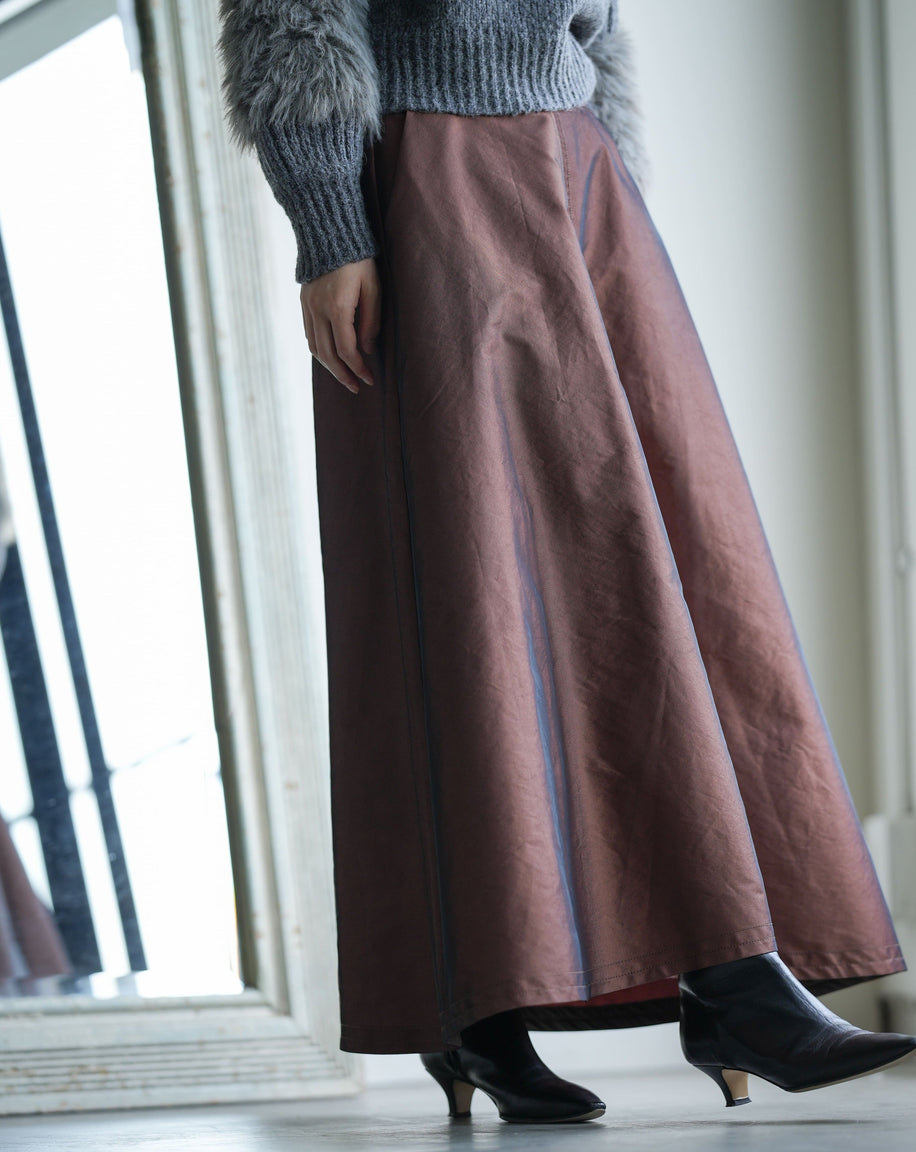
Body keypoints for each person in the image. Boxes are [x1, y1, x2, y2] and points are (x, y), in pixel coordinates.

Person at [216, 0, 916, 1124]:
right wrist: (334, 224)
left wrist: (608, 167)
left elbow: (592, 29)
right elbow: (291, 15)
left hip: (581, 176)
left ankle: (732, 973)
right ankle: (482, 1003)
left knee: (676, 559)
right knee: (472, 582)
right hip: (433, 177)